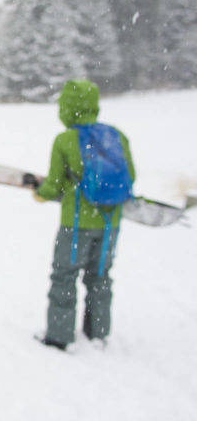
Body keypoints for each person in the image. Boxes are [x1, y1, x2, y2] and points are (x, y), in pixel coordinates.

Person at [30, 79, 135, 350]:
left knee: (65, 276)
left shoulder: (65, 140)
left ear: (67, 108)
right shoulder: (116, 136)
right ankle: (98, 332)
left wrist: (41, 193)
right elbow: (130, 177)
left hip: (75, 225)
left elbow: (53, 184)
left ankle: (59, 336)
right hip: (110, 224)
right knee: (100, 277)